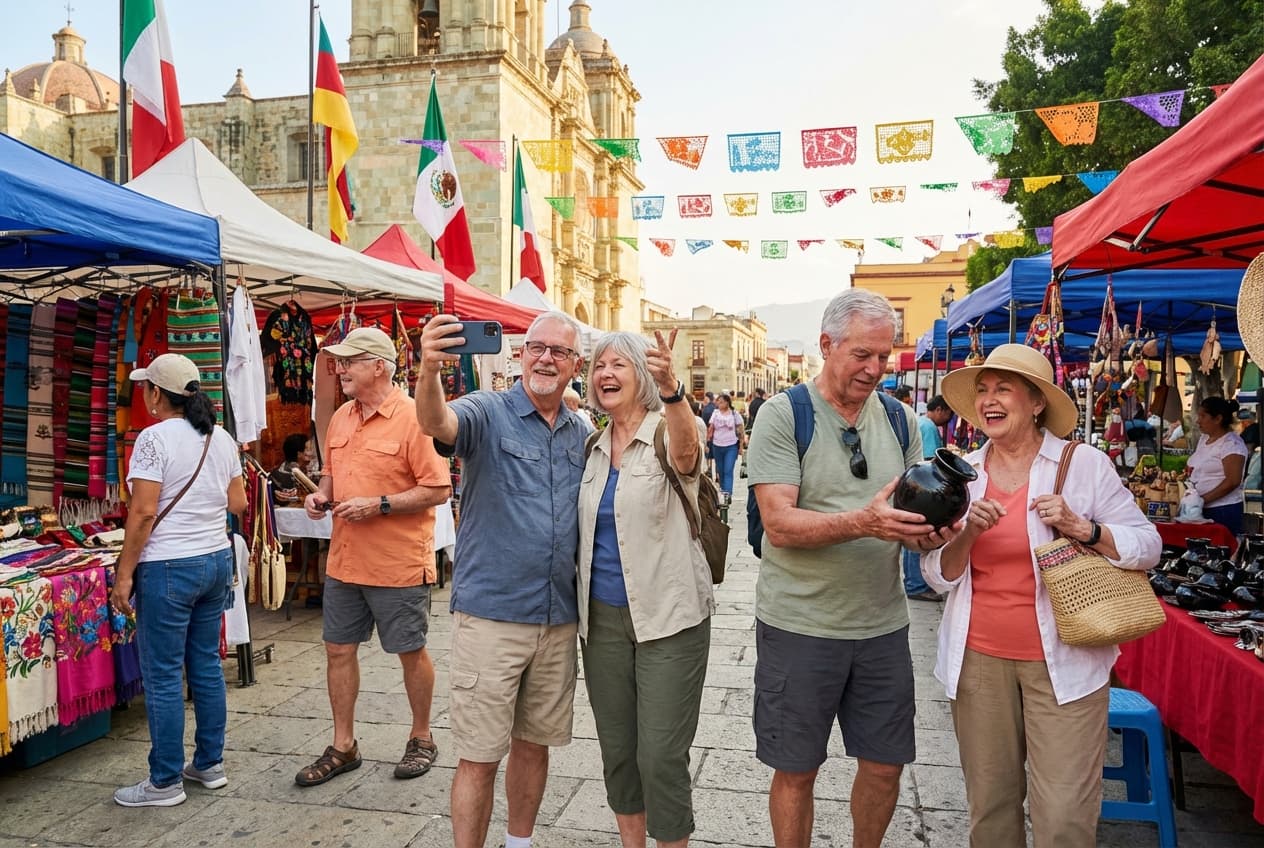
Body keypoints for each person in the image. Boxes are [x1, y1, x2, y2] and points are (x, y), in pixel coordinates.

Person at [921, 344, 1161, 847]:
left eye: (1003, 389)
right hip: (978, 662)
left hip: (1067, 664)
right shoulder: (963, 473)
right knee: (990, 808)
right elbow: (938, 577)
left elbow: (1149, 546)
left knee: (1064, 816)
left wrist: (1083, 527)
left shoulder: (1083, 465)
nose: (990, 399)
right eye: (983, 390)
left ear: (1035, 404)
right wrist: (966, 536)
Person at [745, 289, 945, 848]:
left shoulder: (902, 421)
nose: (875, 368)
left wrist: (939, 528)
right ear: (827, 345)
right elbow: (780, 524)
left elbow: (912, 516)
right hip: (799, 626)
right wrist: (865, 522)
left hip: (882, 628)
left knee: (886, 765)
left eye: (883, 356)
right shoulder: (785, 415)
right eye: (862, 354)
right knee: (797, 769)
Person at [415, 311, 588, 848]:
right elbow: (436, 424)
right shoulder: (487, 412)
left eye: (559, 352)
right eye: (537, 347)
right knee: (479, 755)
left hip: (557, 620)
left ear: (574, 365)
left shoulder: (582, 432)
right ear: (520, 354)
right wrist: (427, 369)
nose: (546, 359)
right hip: (491, 619)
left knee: (536, 746)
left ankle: (520, 842)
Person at [294, 327, 452, 788]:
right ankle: (344, 745)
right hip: (345, 560)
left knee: (409, 651)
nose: (339, 369)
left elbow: (439, 488)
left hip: (398, 561)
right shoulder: (341, 417)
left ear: (378, 366)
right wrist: (320, 496)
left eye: (350, 361)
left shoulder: (414, 417)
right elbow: (332, 475)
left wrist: (378, 504)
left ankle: (422, 736)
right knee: (338, 650)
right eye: (340, 362)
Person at [579, 330, 713, 848]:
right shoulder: (591, 446)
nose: (606, 374)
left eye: (619, 365)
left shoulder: (668, 429)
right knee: (618, 749)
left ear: (643, 375)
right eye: (598, 366)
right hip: (602, 620)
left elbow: (687, 454)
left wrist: (674, 391)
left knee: (660, 755)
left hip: (669, 616)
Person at [109, 354, 247, 807]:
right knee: (205, 666)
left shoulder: (152, 439)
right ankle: (209, 764)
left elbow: (144, 511)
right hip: (213, 559)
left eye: (144, 387)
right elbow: (239, 503)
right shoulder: (220, 436)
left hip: (169, 565)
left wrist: (123, 575)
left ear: (154, 393)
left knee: (165, 676)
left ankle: (165, 781)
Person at [902, 395, 955, 602]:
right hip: (925, 488)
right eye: (949, 413)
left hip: (915, 487)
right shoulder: (930, 427)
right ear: (941, 410)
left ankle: (913, 583)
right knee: (920, 533)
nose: (949, 418)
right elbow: (929, 461)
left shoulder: (919, 421)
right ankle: (916, 584)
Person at [1187, 396, 1249, 535]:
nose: (1198, 421)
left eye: (1203, 416)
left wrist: (1202, 500)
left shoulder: (1232, 445)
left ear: (1218, 419)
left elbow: (1232, 481)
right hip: (1200, 508)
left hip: (1222, 510)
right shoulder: (1204, 439)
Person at [707, 393, 745, 502]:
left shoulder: (734, 414)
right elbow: (711, 428)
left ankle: (728, 493)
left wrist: (741, 446)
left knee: (728, 470)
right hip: (717, 445)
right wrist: (707, 442)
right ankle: (723, 490)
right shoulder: (715, 413)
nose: (719, 404)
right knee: (720, 470)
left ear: (727, 403)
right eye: (718, 402)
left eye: (721, 402)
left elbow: (740, 429)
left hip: (731, 445)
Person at [271, 432, 313, 504]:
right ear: (299, 454)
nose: (312, 453)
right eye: (309, 449)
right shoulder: (286, 475)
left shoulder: (301, 469)